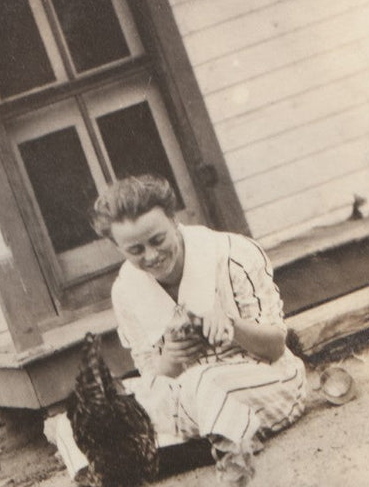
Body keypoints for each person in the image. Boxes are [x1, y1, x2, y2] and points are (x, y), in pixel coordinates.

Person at [90, 174, 307, 460]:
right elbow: (154, 379)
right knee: (93, 411)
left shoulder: (232, 254)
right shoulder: (125, 290)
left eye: (158, 240)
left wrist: (231, 324)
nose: (152, 256)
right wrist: (170, 359)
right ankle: (214, 438)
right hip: (184, 396)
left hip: (261, 382)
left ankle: (178, 448)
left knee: (202, 382)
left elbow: (276, 348)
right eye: (136, 250)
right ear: (117, 248)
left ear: (173, 220)